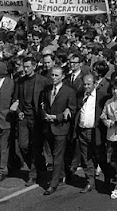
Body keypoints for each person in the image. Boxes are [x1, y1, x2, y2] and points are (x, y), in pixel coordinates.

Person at [13, 56, 50, 186]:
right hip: (24, 118)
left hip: (36, 119)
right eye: (24, 66)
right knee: (23, 145)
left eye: (28, 66)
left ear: (34, 66)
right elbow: (15, 99)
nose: (26, 69)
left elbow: (48, 98)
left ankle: (33, 174)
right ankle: (38, 164)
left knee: (35, 147)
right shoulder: (20, 81)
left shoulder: (43, 81)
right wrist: (19, 112)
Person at [40, 65, 76, 196]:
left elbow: (72, 110)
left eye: (56, 75)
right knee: (52, 155)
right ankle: (64, 174)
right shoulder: (47, 89)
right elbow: (42, 104)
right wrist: (45, 115)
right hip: (48, 126)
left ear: (62, 77)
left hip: (61, 128)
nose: (53, 78)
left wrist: (57, 117)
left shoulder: (69, 91)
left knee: (57, 156)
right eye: (52, 75)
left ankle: (53, 183)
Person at [75, 73, 109, 194]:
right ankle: (90, 182)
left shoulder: (102, 96)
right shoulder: (79, 95)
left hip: (96, 131)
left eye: (89, 84)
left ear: (95, 84)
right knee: (86, 158)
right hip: (82, 130)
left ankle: (108, 179)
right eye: (84, 84)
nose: (86, 87)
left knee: (100, 157)